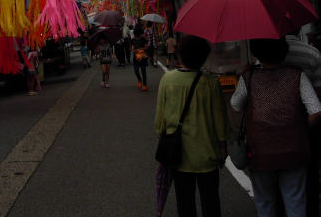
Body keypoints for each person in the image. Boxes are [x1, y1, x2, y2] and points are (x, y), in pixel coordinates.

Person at [230, 38, 321, 217]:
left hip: (260, 152)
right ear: (283, 51)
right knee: (295, 200)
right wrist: (300, 131)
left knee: (265, 201)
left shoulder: (249, 77)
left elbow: (235, 105)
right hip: (294, 150)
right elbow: (316, 110)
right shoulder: (297, 75)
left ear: (256, 53)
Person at [155, 35, 228, 217]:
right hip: (207, 154)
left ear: (180, 55)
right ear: (204, 57)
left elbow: (160, 121)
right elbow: (220, 120)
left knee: (184, 202)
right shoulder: (210, 82)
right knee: (211, 201)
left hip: (178, 155)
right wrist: (222, 146)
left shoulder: (168, 80)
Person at [284, 30, 321, 217]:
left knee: (285, 173)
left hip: (280, 124)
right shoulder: (312, 53)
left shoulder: (272, 54)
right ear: (298, 28)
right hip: (308, 120)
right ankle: (312, 209)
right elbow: (318, 90)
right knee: (311, 169)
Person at [132, 24, 149, 91]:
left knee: (143, 71)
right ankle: (139, 80)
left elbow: (146, 47)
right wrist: (134, 50)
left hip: (143, 57)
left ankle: (144, 85)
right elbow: (131, 48)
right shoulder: (132, 40)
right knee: (136, 70)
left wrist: (141, 49)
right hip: (136, 57)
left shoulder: (143, 39)